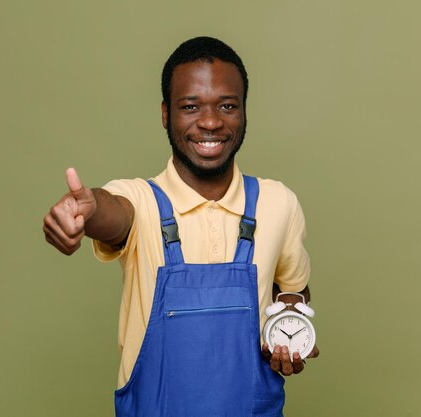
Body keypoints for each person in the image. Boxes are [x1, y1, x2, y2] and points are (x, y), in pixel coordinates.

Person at [43, 36, 319, 416]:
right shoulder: (141, 201)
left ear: (244, 112)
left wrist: (290, 327)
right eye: (191, 106)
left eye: (227, 106)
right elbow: (112, 213)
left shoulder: (278, 203)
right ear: (165, 114)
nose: (210, 121)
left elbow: (294, 289)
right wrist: (85, 210)